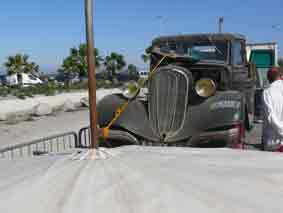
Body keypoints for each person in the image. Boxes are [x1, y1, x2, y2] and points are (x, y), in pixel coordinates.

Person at [262, 67, 283, 151]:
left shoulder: (267, 92)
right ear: (281, 76)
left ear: (268, 79)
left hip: (274, 143)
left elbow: (270, 116)